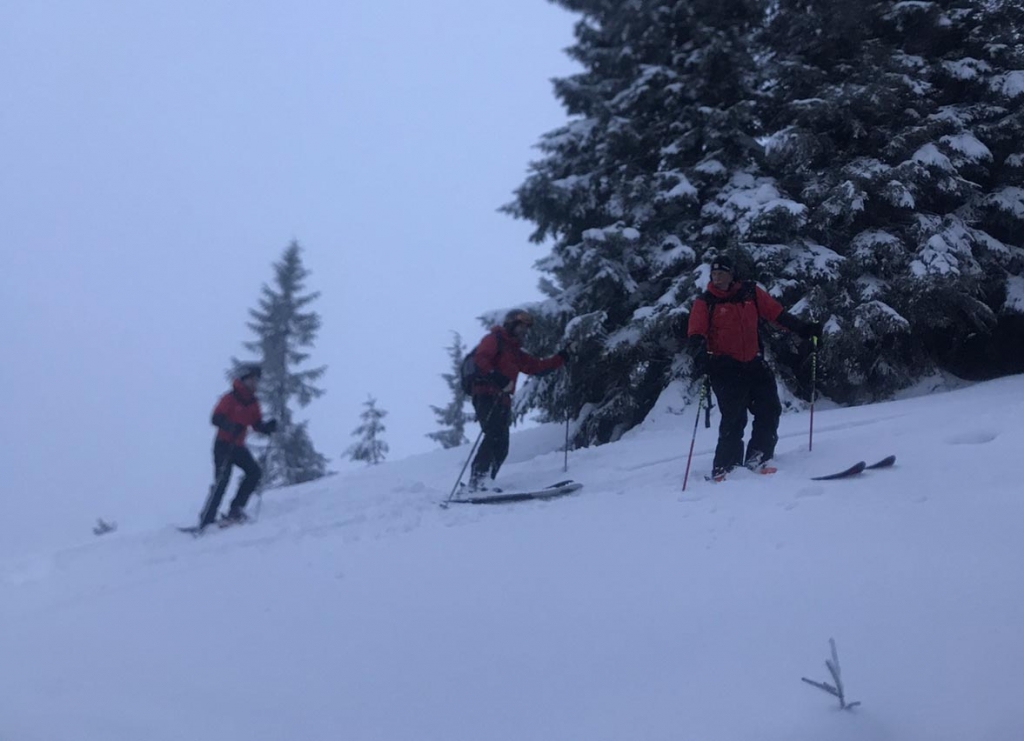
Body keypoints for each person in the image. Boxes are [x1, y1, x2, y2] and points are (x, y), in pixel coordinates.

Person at [687, 255, 822, 480]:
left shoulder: (750, 294)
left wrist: (804, 329)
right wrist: (701, 356)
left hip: (753, 362)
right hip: (724, 367)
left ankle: (758, 457)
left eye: (722, 273)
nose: (717, 278)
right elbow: (696, 333)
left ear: (732, 275)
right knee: (734, 417)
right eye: (714, 274)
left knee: (769, 409)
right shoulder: (706, 302)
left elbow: (776, 314)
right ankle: (725, 468)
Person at [468, 310, 571, 490]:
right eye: (521, 326)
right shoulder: (493, 339)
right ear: (511, 324)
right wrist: (498, 378)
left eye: (526, 327)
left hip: (502, 400)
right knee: (493, 435)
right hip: (485, 394)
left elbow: (536, 367)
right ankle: (477, 483)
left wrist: (561, 358)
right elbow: (480, 360)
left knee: (502, 444)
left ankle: (486, 483)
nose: (524, 330)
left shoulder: (514, 351)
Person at [200, 364, 277, 527]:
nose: (256, 383)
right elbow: (215, 418)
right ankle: (207, 518)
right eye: (254, 380)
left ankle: (236, 509)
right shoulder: (230, 398)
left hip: (237, 446)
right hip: (223, 445)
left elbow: (256, 424)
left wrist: (267, 427)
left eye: (257, 380)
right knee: (222, 480)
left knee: (254, 472)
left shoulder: (253, 402)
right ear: (245, 379)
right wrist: (230, 426)